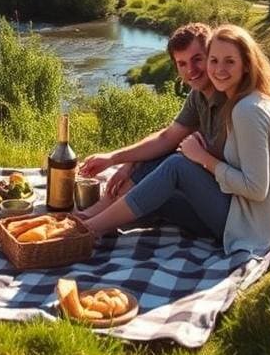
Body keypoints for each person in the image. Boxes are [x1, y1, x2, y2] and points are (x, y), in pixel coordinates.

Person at [81, 24, 270, 254]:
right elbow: (167, 137)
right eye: (214, 61)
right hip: (240, 210)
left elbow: (256, 189)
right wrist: (124, 162)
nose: (218, 69)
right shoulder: (220, 97)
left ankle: (87, 230)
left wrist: (202, 157)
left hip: (254, 226)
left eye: (229, 62)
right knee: (155, 190)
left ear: (246, 64)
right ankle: (93, 220)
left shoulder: (246, 109)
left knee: (176, 164)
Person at [79, 23, 226, 216]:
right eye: (182, 64)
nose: (191, 70)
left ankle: (95, 220)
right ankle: (103, 210)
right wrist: (118, 160)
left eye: (197, 59)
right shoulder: (198, 96)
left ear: (212, 57)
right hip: (208, 190)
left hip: (229, 208)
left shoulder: (231, 99)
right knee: (153, 166)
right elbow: (166, 138)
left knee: (172, 163)